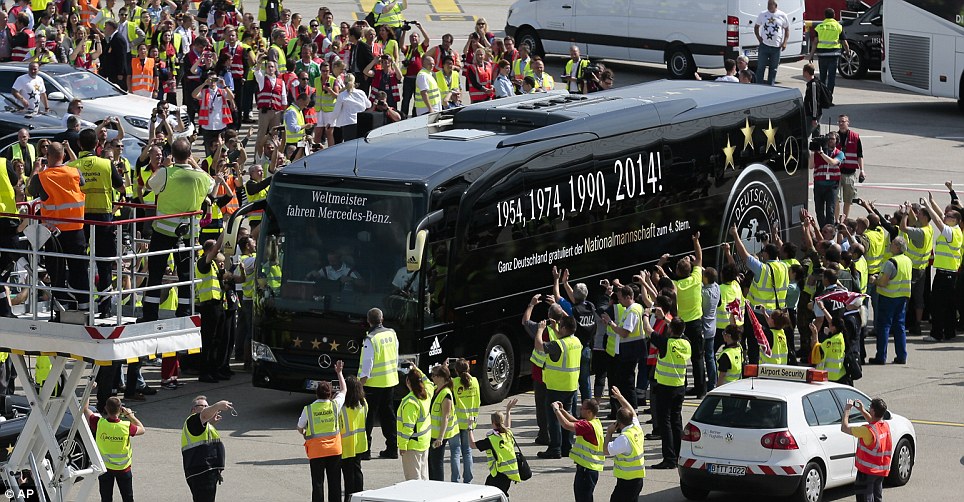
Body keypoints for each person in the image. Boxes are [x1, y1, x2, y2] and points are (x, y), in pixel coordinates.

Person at [140, 138, 215, 322]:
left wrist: (163, 167)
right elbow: (212, 185)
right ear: (189, 155)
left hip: (163, 232)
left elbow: (149, 185)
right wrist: (194, 163)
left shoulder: (166, 172)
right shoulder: (202, 177)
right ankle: (184, 312)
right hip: (189, 232)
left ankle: (150, 314)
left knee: (156, 273)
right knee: (185, 274)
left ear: (171, 155)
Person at [27, 142, 90, 311]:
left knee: (57, 270)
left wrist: (38, 169)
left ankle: (61, 306)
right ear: (63, 156)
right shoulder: (74, 172)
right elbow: (82, 183)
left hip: (54, 233)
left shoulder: (41, 177)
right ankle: (85, 305)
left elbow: (29, 192)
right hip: (76, 230)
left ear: (47, 156)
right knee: (79, 268)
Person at [70, 128, 125, 316]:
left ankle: (82, 304)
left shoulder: (72, 165)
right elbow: (121, 187)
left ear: (79, 145)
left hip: (80, 217)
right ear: (97, 145)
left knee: (79, 261)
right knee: (104, 262)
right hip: (103, 218)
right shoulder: (106, 164)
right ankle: (105, 307)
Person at [658, 231, 704, 397]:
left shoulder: (673, 285)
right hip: (696, 322)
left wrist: (661, 262)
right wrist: (696, 241)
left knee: (680, 355)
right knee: (698, 357)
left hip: (679, 324)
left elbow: (657, 277)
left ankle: (682, 386)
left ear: (676, 271)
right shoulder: (696, 278)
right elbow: (699, 258)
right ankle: (700, 389)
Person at [298, 360, 347, 502]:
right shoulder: (335, 405)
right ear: (330, 394)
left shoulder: (308, 409)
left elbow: (300, 427)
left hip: (316, 451)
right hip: (334, 450)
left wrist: (305, 433)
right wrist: (339, 373)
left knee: (318, 483)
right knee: (335, 483)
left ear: (316, 394)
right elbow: (344, 390)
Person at [536, 316, 582, 460]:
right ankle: (566, 447)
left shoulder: (559, 345)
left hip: (556, 386)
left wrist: (540, 330)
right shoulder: (576, 341)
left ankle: (555, 448)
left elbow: (539, 346)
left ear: (564, 328)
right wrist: (556, 328)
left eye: (560, 326)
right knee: (566, 414)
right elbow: (563, 339)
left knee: (554, 418)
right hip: (571, 385)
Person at [83, 396, 145, 502]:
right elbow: (142, 429)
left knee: (106, 498)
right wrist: (130, 415)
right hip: (123, 469)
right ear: (120, 409)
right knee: (128, 498)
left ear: (106, 408)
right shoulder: (126, 426)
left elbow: (85, 409)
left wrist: (89, 390)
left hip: (105, 468)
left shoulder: (99, 423)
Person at [359, 307, 399, 460]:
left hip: (373, 384)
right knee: (388, 415)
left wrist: (360, 384)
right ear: (382, 319)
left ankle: (365, 450)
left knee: (368, 417)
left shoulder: (370, 339)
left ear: (369, 321)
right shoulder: (392, 333)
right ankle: (392, 448)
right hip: (390, 381)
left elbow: (367, 365)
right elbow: (395, 355)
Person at [651, 318, 690, 469]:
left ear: (670, 329)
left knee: (665, 423)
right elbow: (681, 330)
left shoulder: (666, 343)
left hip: (665, 387)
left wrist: (647, 315)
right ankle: (679, 453)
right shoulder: (686, 343)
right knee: (676, 420)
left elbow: (649, 331)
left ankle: (669, 458)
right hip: (679, 386)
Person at [922, 192, 962, 342]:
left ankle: (936, 334)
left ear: (955, 220)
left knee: (938, 304)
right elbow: (941, 216)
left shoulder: (951, 232)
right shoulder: (955, 230)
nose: (945, 217)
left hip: (945, 274)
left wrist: (927, 206)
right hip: (951, 274)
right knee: (950, 306)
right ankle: (949, 332)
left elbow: (938, 220)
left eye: (948, 217)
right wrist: (933, 203)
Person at [601, 285, 645, 413]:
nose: (619, 301)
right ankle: (630, 409)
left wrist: (611, 323)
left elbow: (625, 332)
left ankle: (632, 410)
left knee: (627, 384)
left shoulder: (632, 312)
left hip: (629, 351)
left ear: (628, 297)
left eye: (620, 298)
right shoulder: (636, 307)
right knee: (626, 382)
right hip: (629, 350)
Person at [182, 396, 234, 502]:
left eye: (207, 406)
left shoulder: (203, 426)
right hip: (202, 472)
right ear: (193, 410)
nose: (206, 408)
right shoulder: (192, 420)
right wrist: (218, 405)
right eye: (203, 406)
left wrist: (210, 423)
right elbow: (204, 415)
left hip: (205, 472)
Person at [870, 236, 912, 364]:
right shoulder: (907, 260)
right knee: (900, 326)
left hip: (888, 297)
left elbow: (883, 283)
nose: (890, 245)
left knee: (884, 326)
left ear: (898, 247)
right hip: (902, 297)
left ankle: (881, 356)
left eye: (893, 244)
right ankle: (901, 355)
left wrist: (874, 280)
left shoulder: (891, 262)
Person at [841, 397, 892, 502]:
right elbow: (873, 421)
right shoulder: (884, 426)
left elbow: (844, 428)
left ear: (873, 411)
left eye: (870, 408)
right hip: (880, 472)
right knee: (877, 498)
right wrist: (862, 411)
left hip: (866, 473)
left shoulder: (866, 431)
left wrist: (847, 410)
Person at [466, 398, 520, 496]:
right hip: (509, 473)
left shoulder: (492, 440)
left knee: (493, 495)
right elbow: (508, 426)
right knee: (498, 492)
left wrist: (469, 428)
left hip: (499, 474)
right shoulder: (508, 434)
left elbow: (472, 445)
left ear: (493, 423)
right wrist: (508, 411)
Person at [552, 398, 603, 502]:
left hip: (586, 470)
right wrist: (562, 410)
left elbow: (566, 425)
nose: (580, 409)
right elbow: (575, 421)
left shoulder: (587, 426)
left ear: (589, 412)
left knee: (582, 498)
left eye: (582, 408)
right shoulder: (594, 422)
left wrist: (556, 410)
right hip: (589, 469)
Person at [603, 387, 645, 500]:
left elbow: (606, 451)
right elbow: (631, 410)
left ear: (619, 423)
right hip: (637, 479)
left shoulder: (624, 439)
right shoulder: (636, 427)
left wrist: (609, 433)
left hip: (627, 482)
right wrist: (620, 397)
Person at [396, 366, 431, 480]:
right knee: (424, 476)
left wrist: (402, 445)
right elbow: (429, 382)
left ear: (407, 382)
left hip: (412, 445)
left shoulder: (410, 402)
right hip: (424, 442)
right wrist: (418, 370)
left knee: (413, 479)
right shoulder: (427, 394)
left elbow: (408, 427)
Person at [450, 359, 478, 484]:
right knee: (467, 451)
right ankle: (468, 479)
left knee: (455, 451)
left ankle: (455, 480)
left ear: (456, 371)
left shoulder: (454, 383)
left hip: (456, 422)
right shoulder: (475, 382)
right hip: (470, 422)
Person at [428, 364, 458, 481]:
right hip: (433, 434)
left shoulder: (446, 395)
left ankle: (438, 486)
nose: (432, 377)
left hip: (439, 435)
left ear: (441, 377)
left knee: (437, 463)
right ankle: (432, 484)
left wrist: (440, 438)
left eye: (434, 375)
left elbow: (445, 417)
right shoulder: (437, 390)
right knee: (431, 462)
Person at [340, 375, 368, 502]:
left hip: (346, 445)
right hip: (360, 443)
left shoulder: (343, 407)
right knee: (357, 471)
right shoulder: (363, 403)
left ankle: (349, 498)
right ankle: (360, 496)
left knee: (348, 475)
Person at [809, 8, 848, 94]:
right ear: (834, 15)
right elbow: (844, 42)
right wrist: (847, 52)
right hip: (834, 55)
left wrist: (811, 55)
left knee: (822, 77)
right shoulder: (838, 26)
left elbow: (815, 42)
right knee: (831, 77)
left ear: (825, 16)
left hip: (822, 55)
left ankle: (822, 97)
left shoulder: (819, 27)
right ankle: (829, 98)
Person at [810, 131, 844, 228]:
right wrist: (813, 152)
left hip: (832, 185)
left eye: (832, 139)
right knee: (819, 209)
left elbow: (833, 162)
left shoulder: (839, 153)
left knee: (830, 209)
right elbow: (810, 166)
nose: (830, 141)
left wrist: (821, 153)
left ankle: (830, 230)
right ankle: (822, 229)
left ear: (836, 140)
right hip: (819, 184)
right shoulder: (818, 153)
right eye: (828, 138)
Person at [754, 0, 790, 85]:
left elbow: (787, 29)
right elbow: (756, 27)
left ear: (775, 5)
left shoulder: (782, 15)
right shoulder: (762, 14)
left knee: (773, 69)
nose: (768, 6)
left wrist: (785, 42)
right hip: (764, 46)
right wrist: (759, 38)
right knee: (760, 67)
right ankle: (758, 85)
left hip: (776, 47)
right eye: (768, 4)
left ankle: (771, 85)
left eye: (770, 4)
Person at [837, 115, 865, 220]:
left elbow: (860, 155)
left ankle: (845, 219)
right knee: (836, 199)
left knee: (848, 199)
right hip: (837, 172)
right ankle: (836, 220)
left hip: (850, 173)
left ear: (848, 123)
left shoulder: (855, 137)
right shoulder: (834, 137)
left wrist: (862, 170)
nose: (841, 123)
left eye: (843, 121)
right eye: (839, 121)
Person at [700, 267, 720, 391]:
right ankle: (713, 382)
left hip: (703, 328)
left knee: (702, 358)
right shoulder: (717, 288)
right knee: (711, 357)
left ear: (706, 278)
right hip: (712, 327)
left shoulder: (703, 293)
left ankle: (702, 383)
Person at [101, 20, 129, 91]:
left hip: (117, 74)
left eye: (106, 27)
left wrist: (120, 73)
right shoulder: (113, 38)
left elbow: (121, 57)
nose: (104, 29)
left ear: (111, 28)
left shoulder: (118, 39)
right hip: (112, 73)